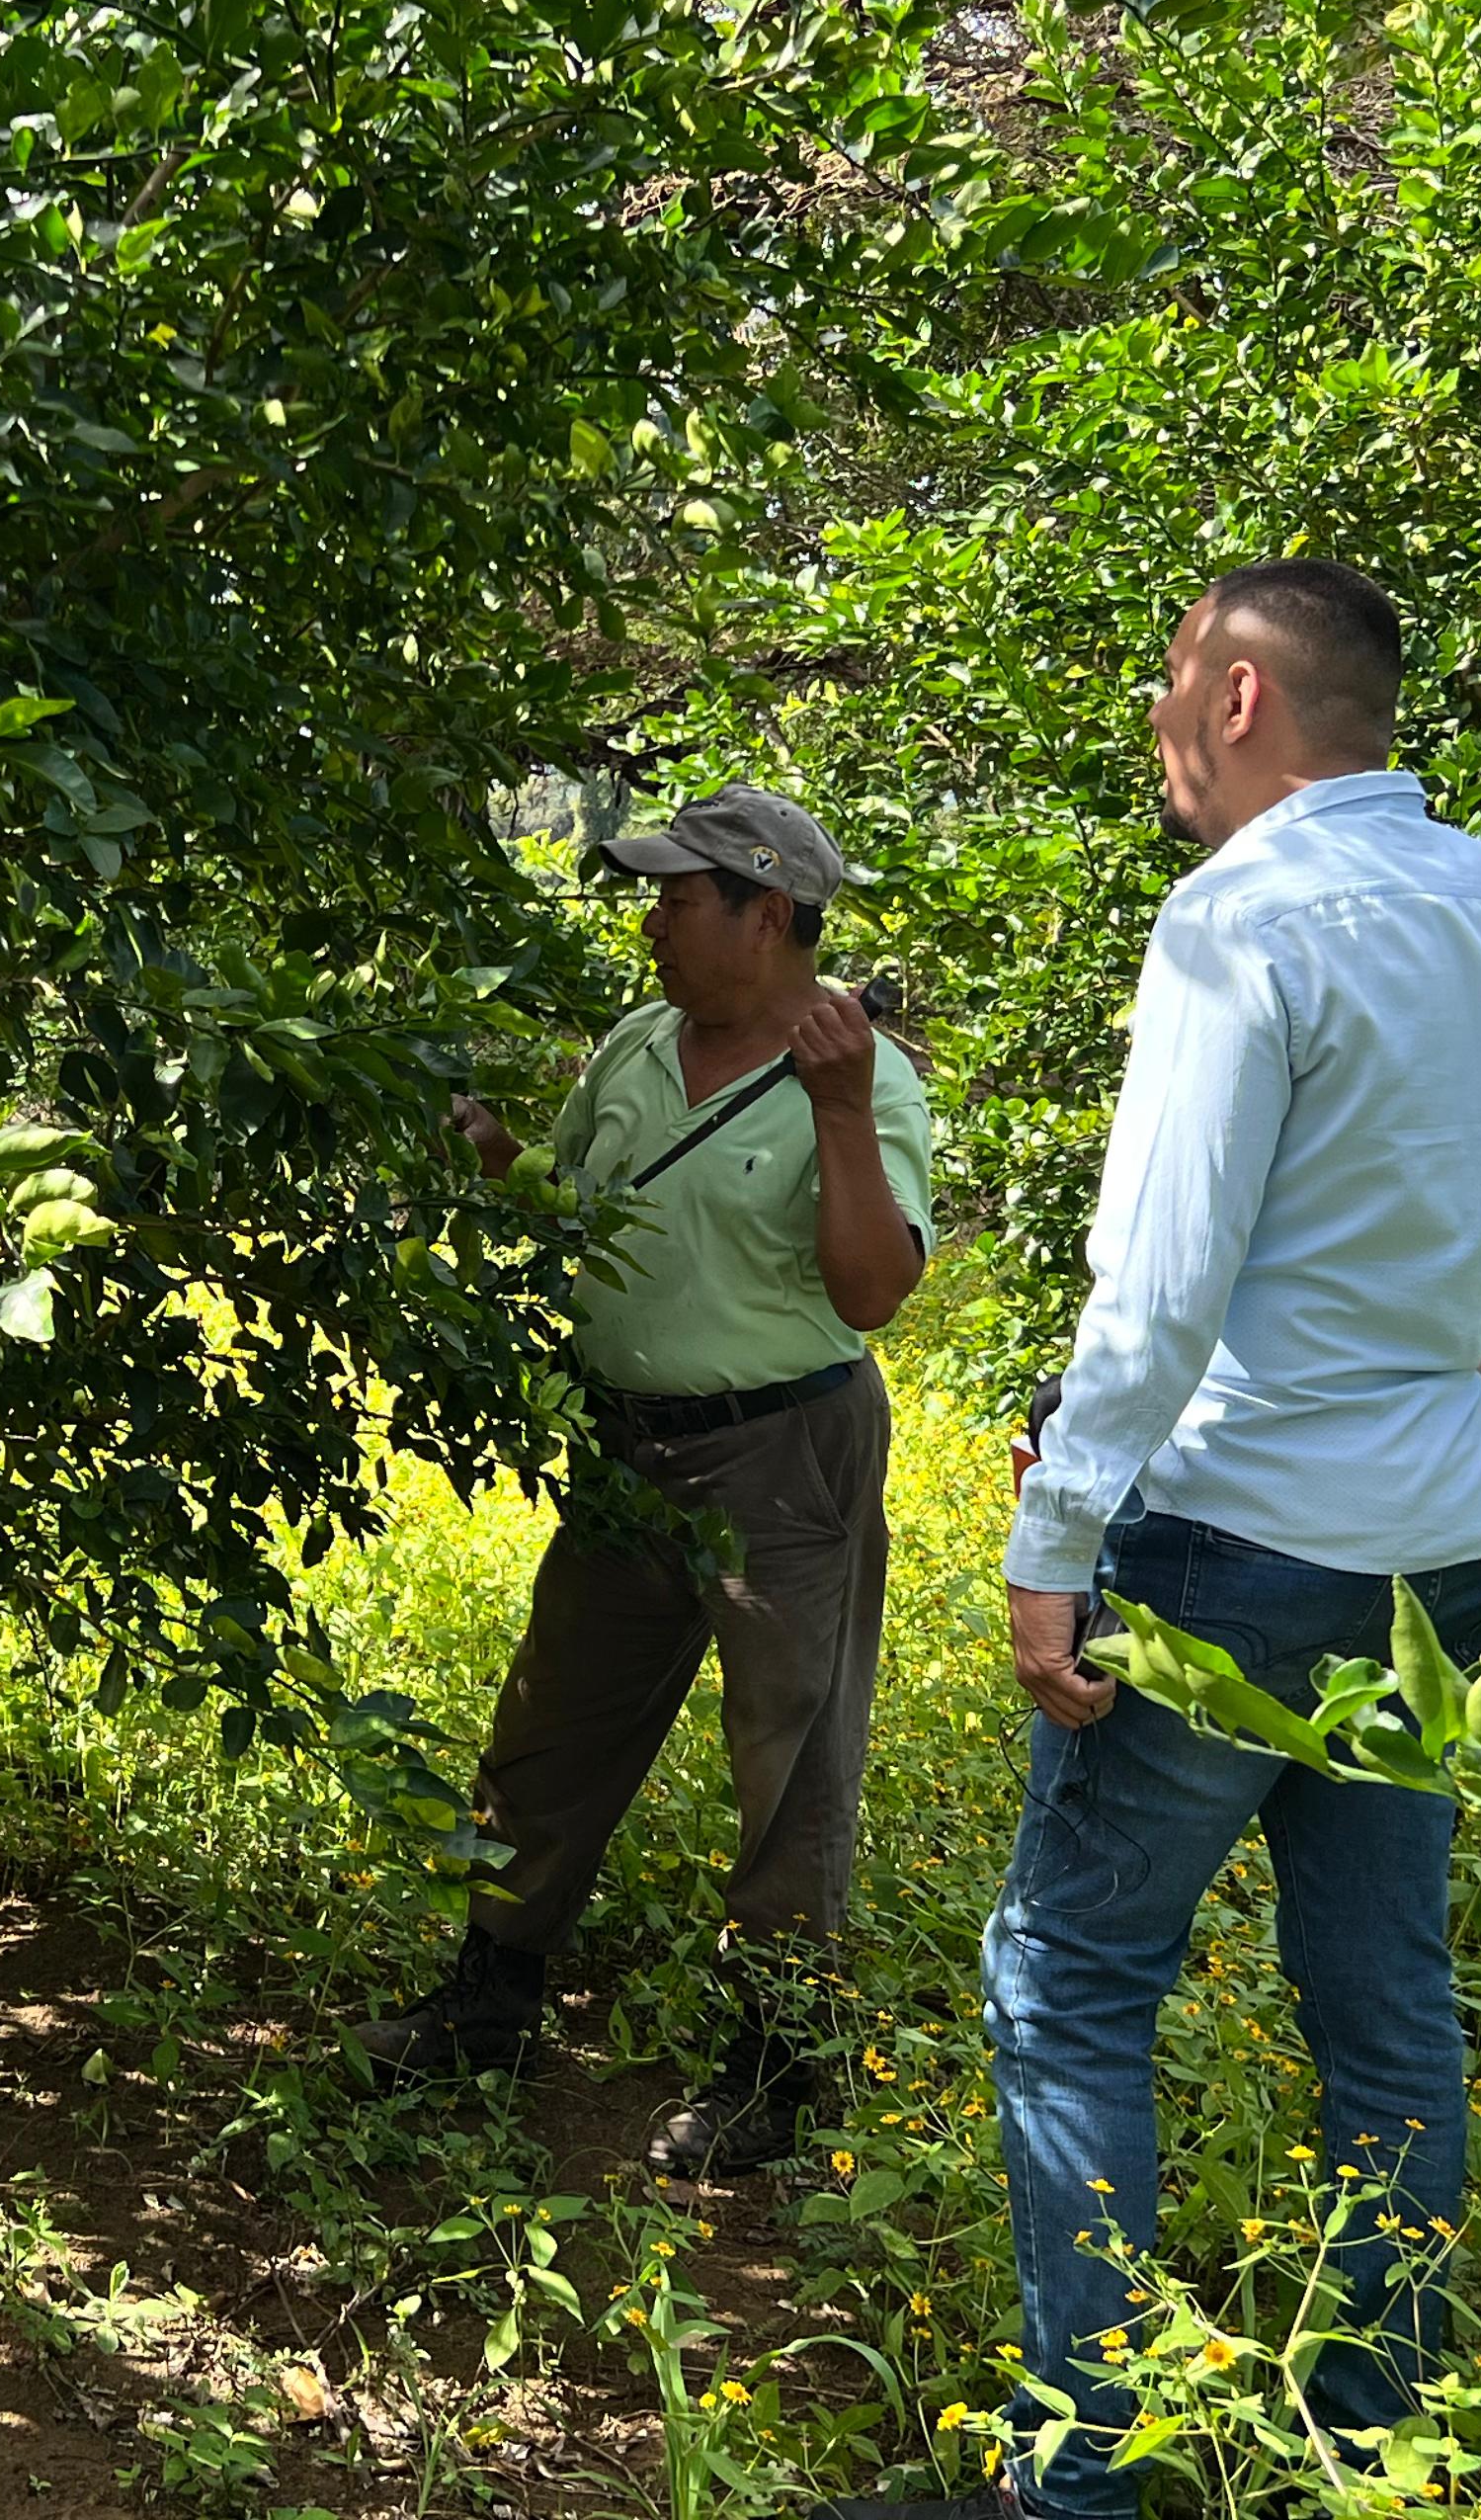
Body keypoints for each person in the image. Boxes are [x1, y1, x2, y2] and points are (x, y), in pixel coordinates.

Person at [833, 562, 1481, 2520]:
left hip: (1239, 1545)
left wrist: (1053, 1540)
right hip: (1446, 1559)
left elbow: (1156, 1294)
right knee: (1385, 2005)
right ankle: (1365, 2455)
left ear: (1238, 699)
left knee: (1071, 1984)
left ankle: (1078, 2481)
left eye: (1169, 680)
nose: (1157, 720)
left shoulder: (1241, 920)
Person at [355, 784, 934, 2179]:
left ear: (771, 912)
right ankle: (488, 2003)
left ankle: (778, 2074)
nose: (652, 919)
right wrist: (493, 1160)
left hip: (786, 1452)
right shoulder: (634, 1043)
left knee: (792, 1763)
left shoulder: (861, 1079)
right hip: (629, 1447)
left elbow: (873, 1291)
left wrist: (845, 1109)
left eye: (678, 896)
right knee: (554, 1723)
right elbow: (578, 1206)